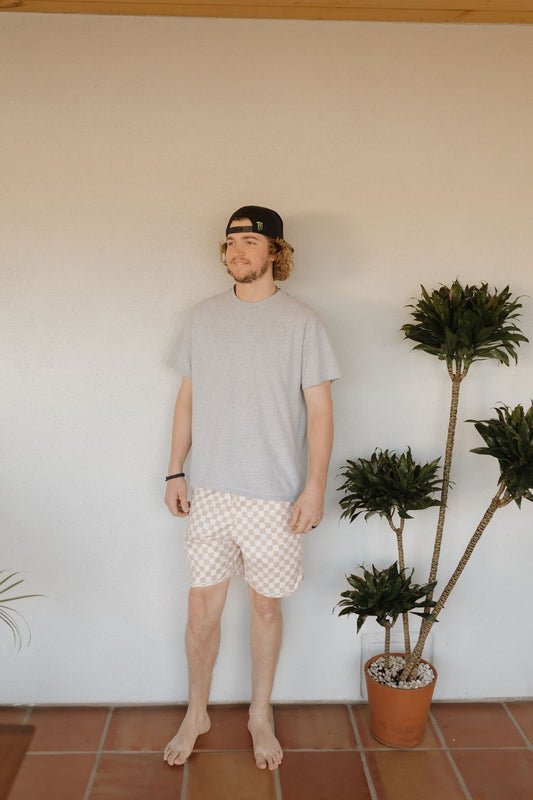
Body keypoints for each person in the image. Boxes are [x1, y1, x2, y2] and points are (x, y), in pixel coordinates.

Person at [163, 205, 339, 771]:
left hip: (274, 496)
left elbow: (320, 413)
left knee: (265, 609)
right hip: (210, 490)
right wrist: (174, 469)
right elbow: (187, 399)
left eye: (250, 240)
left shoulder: (302, 323)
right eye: (231, 239)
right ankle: (197, 712)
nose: (237, 248)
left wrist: (314, 488)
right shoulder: (203, 318)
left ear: (274, 252)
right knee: (200, 613)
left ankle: (259, 714)